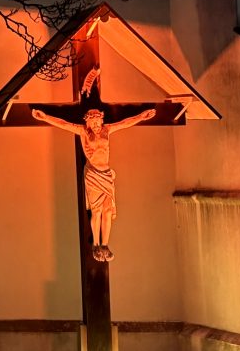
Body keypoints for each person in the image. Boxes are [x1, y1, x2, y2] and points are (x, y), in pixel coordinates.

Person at [31, 106, 157, 262]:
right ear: (88, 123)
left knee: (108, 212)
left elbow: (124, 123)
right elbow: (64, 124)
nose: (97, 126)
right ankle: (96, 244)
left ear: (102, 120)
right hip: (93, 175)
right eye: (94, 123)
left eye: (98, 122)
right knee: (97, 211)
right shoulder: (83, 131)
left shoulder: (107, 130)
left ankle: (105, 244)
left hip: (106, 174)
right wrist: (45, 117)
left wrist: (141, 117)